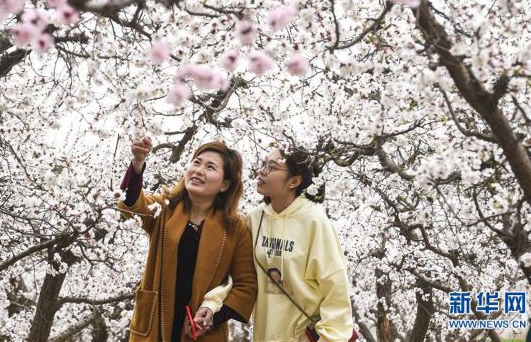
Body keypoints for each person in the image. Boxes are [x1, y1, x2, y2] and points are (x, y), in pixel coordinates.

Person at [195, 147, 355, 341]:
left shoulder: (314, 221)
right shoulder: (255, 219)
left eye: (272, 167)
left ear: (294, 181)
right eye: (264, 164)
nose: (262, 171)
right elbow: (239, 273)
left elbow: (335, 289)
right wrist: (212, 304)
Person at [118, 136, 257, 342]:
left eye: (210, 167)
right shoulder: (165, 209)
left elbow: (246, 285)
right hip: (154, 324)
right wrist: (137, 164)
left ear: (225, 184)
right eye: (196, 162)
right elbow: (132, 207)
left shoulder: (236, 228)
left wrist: (213, 316)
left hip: (202, 332)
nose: (199, 170)